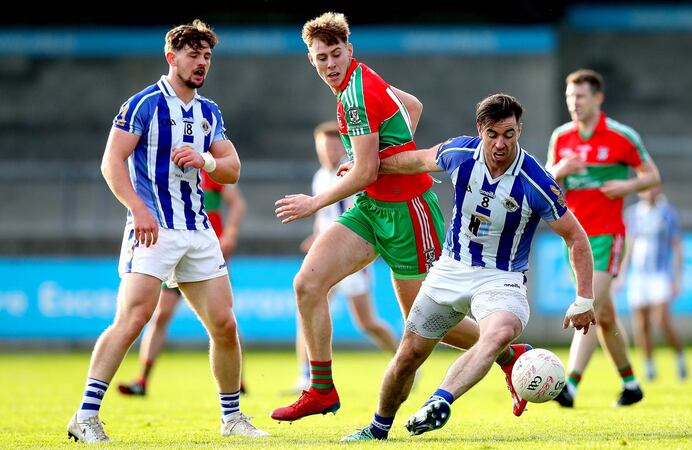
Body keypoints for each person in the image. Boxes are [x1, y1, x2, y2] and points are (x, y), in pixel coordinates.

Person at [272, 12, 533, 422]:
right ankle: (321, 388)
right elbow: (412, 105)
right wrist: (383, 157)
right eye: (321, 57)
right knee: (307, 284)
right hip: (371, 210)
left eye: (336, 54)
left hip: (410, 215)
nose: (330, 64)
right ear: (311, 60)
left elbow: (365, 171)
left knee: (436, 324)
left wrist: (315, 202)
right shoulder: (357, 81)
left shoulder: (355, 94)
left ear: (349, 51)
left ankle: (509, 354)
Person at [340, 93, 596, 441]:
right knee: (407, 356)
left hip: (501, 278)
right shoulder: (460, 153)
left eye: (509, 133)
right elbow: (413, 161)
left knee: (496, 333)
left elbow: (577, 238)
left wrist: (584, 298)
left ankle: (440, 401)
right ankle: (377, 428)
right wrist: (366, 168)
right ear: (480, 130)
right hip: (450, 269)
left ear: (520, 129)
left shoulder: (536, 181)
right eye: (492, 134)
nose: (500, 143)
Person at [66, 20, 266, 442]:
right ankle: (85, 416)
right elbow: (111, 162)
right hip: (154, 228)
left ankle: (232, 419)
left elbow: (233, 169)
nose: (201, 63)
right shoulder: (144, 104)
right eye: (193, 55)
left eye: (207, 56)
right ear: (171, 57)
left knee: (225, 325)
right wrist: (137, 209)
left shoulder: (209, 112)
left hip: (197, 231)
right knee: (134, 317)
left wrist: (206, 161)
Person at [546, 69, 661, 408]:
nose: (574, 103)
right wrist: (558, 171)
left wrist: (627, 186)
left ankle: (570, 385)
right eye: (569, 97)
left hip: (607, 237)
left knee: (587, 304)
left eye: (580, 96)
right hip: (575, 241)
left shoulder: (621, 137)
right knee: (605, 316)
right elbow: (548, 183)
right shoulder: (561, 137)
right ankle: (631, 385)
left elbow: (652, 175)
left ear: (598, 98)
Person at [117, 171, 247, 396]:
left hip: (204, 253)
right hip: (175, 251)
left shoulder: (210, 169)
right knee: (160, 315)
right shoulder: (165, 170)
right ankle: (142, 379)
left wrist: (231, 233)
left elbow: (237, 204)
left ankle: (237, 380)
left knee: (223, 320)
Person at [292, 121, 398, 391]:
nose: (327, 151)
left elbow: (355, 215)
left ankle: (404, 361)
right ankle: (307, 375)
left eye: (332, 145)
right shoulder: (319, 176)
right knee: (307, 304)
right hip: (327, 256)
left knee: (367, 322)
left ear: (342, 145)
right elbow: (322, 217)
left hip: (349, 257)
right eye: (322, 146)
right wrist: (317, 238)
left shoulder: (351, 172)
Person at [617, 185, 687, 381]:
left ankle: (679, 355)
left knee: (661, 321)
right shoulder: (633, 214)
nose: (648, 191)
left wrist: (677, 278)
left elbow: (677, 246)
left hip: (660, 274)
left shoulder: (667, 214)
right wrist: (622, 273)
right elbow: (629, 246)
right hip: (639, 276)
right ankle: (649, 365)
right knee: (641, 324)